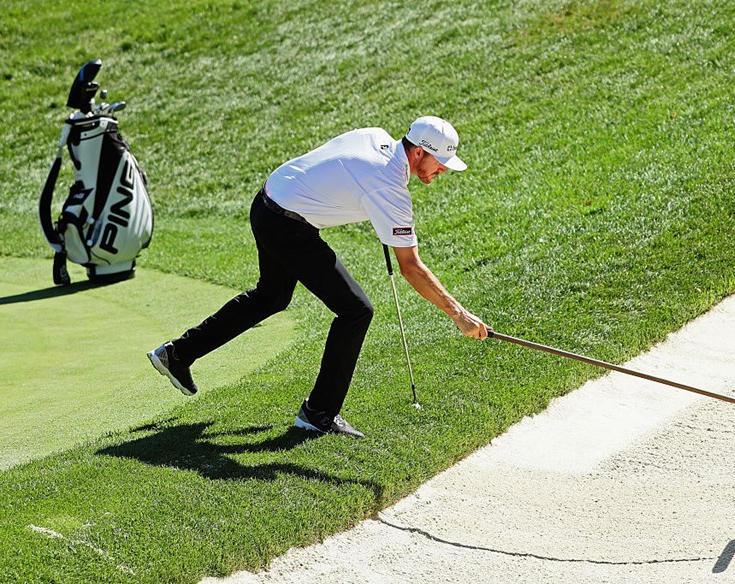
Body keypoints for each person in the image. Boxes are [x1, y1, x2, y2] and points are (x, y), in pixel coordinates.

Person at [147, 116, 489, 438]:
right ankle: (319, 414)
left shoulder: (375, 136)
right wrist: (458, 314)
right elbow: (411, 267)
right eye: (440, 161)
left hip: (268, 201)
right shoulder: (388, 187)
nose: (443, 169)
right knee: (356, 311)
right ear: (418, 152)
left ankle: (176, 354)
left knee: (273, 296)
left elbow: (344, 172)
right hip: (287, 225)